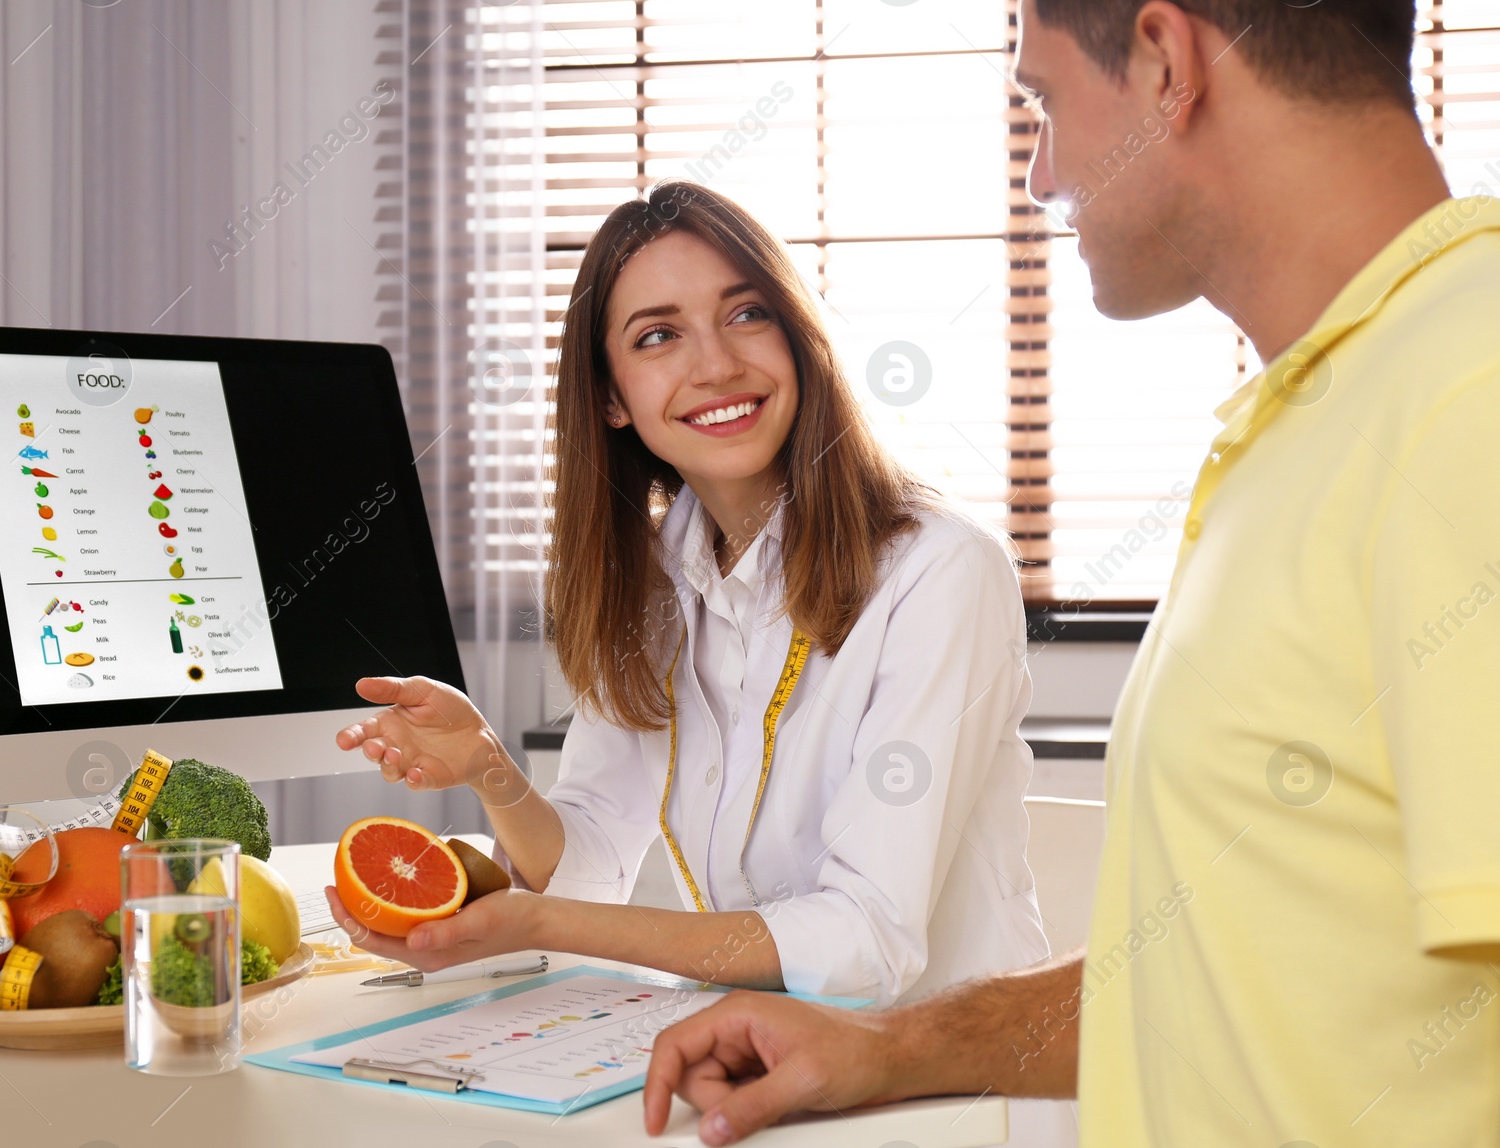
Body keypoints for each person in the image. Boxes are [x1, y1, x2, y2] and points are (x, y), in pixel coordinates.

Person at [642, 1, 1500, 1145]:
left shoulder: (1465, 394)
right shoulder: (1302, 424)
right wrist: (891, 1049)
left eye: (1041, 103)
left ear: (1163, 59)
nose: (1039, 174)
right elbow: (1217, 971)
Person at [328, 181, 1073, 1144]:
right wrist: (489, 770)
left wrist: (540, 927)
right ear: (610, 399)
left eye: (746, 314)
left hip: (950, 1107)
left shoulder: (939, 570)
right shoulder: (649, 584)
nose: (717, 364)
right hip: (764, 1081)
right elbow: (592, 862)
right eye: (657, 336)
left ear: (797, 337)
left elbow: (864, 943)